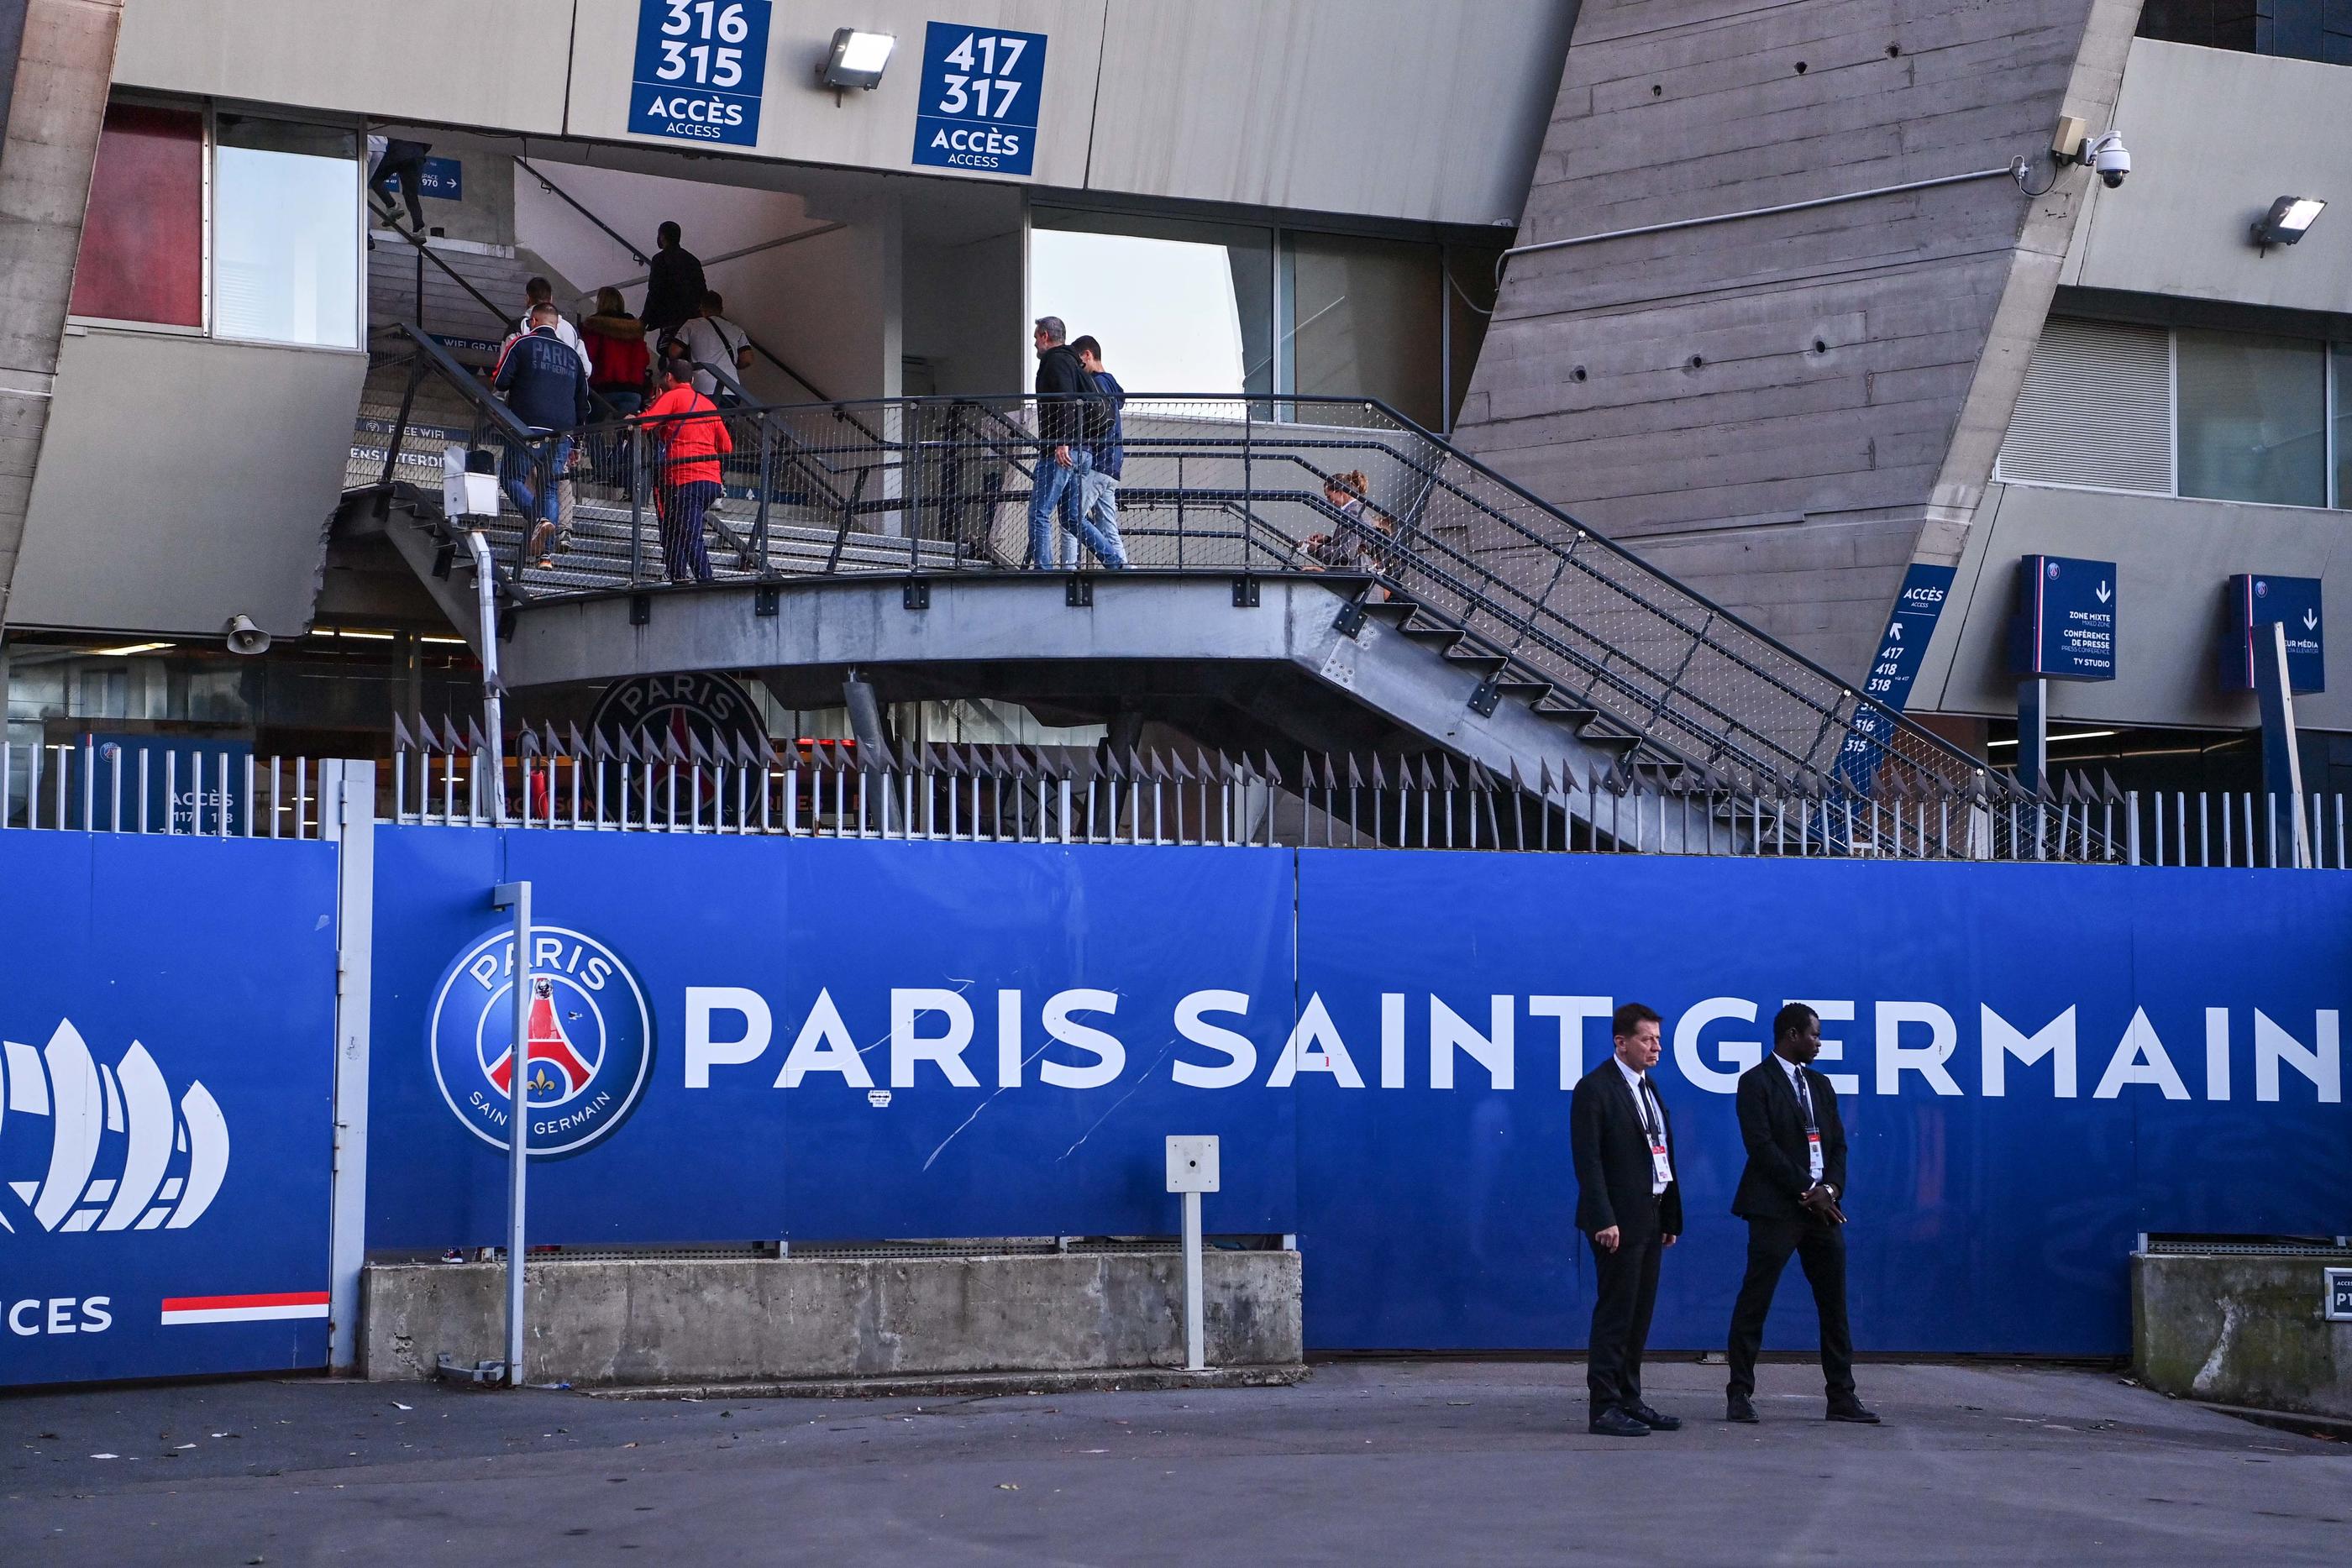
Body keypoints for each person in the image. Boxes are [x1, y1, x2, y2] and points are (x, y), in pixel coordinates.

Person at [1725, 1004, 1882, 1425]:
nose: (1819, 1042)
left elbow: (1838, 1146)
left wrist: (1830, 1189)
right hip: (1777, 1209)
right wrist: (1807, 1188)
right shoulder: (1754, 1082)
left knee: (1834, 1304)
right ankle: (1739, 1393)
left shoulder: (1821, 1084)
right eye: (1814, 1035)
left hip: (1822, 1212)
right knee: (1756, 1299)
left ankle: (1842, 1397)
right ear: (1792, 1035)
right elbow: (1761, 1147)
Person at [1571, 1002, 1683, 1438]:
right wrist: (1603, 1218)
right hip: (1616, 1222)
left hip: (1650, 1218)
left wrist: (1669, 1214)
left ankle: (1629, 1397)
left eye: (1658, 1038)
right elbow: (1589, 1160)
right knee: (1615, 1314)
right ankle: (1604, 1406)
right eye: (1646, 1039)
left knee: (1639, 1314)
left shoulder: (1648, 1087)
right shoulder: (1595, 1088)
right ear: (1621, 1042)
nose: (1656, 1046)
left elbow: (1663, 1155)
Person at [491, 302, 591, 566]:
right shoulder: (572, 355)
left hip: (527, 427)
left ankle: (539, 520)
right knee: (548, 488)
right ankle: (545, 555)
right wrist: (577, 442)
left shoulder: (521, 344)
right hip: (563, 432)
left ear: (533, 321)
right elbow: (583, 404)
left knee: (511, 478)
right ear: (556, 324)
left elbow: (500, 380)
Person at [1026, 317, 1121, 570]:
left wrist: (1061, 443)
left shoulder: (1055, 362)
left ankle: (1043, 572)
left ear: (1045, 336)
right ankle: (1113, 561)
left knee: (1039, 513)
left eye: (1036, 337)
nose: (1035, 343)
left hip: (1061, 453)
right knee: (1071, 518)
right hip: (1083, 453)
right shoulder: (1074, 363)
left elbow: (1066, 401)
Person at [639, 358, 732, 583]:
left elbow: (645, 424)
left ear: (669, 378)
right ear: (691, 379)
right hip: (710, 479)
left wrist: (634, 418)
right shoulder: (708, 405)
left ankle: (704, 580)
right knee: (682, 528)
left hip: (685, 477)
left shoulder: (672, 397)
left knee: (689, 534)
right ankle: (680, 575)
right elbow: (726, 446)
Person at [1069, 336, 1130, 569]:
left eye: (1078, 361)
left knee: (1073, 517)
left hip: (1098, 461)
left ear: (1087, 355)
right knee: (1107, 526)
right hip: (1112, 465)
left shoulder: (1097, 385)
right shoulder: (1111, 385)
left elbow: (1097, 421)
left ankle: (1073, 568)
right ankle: (1123, 569)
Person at [581, 286, 649, 415]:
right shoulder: (634, 329)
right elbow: (644, 358)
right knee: (625, 432)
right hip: (632, 390)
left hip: (601, 390)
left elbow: (588, 356)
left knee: (595, 431)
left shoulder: (593, 326)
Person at [678, 291, 752, 401]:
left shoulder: (691, 325)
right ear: (721, 309)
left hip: (703, 387)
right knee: (726, 418)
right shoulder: (735, 329)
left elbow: (674, 351)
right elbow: (747, 359)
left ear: (701, 308)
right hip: (731, 389)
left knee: (705, 417)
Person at [512, 277, 591, 375]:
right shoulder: (571, 329)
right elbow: (586, 369)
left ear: (528, 298)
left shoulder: (519, 326)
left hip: (529, 387)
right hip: (563, 388)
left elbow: (508, 367)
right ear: (551, 299)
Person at [642, 222, 707, 339]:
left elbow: (655, 291)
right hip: (692, 319)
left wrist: (644, 320)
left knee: (670, 351)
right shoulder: (693, 260)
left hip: (670, 319)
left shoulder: (659, 259)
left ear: (662, 236)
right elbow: (702, 291)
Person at [365, 135, 432, 230]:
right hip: (417, 155)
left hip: (397, 151)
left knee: (375, 179)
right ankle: (419, 229)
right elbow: (429, 141)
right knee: (411, 195)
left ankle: (392, 206)